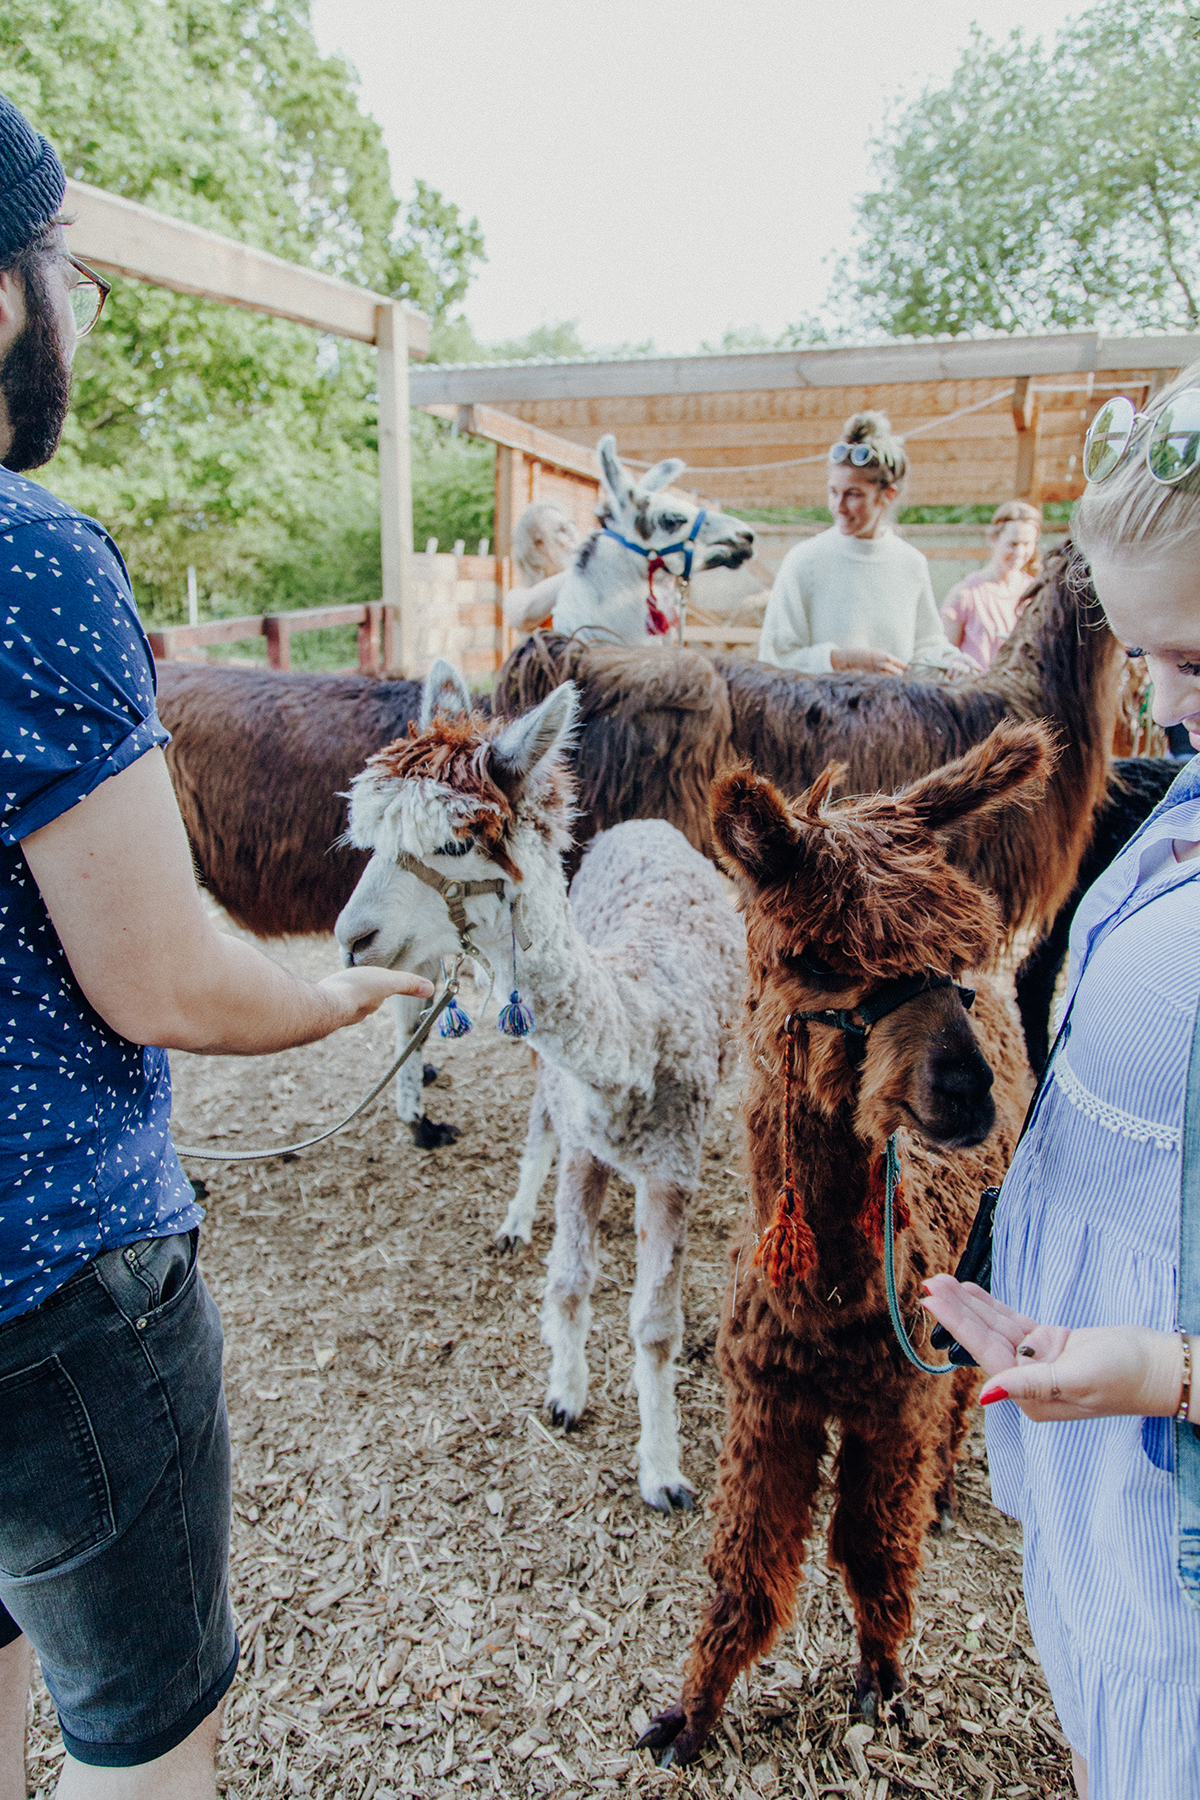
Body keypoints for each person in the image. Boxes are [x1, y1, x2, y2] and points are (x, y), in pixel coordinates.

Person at [0, 94, 433, 1798]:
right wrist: (343, 995)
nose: (74, 326)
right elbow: (162, 975)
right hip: (57, 1286)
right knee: (140, 1741)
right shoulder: (32, 565)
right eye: (72, 282)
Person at [923, 363, 1200, 1800]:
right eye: (1145, 655)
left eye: (1197, 664)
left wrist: (1163, 1368)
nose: (1156, 701)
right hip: (1092, 1423)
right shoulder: (1179, 808)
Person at [757, 410, 970, 676]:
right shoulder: (805, 560)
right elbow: (774, 658)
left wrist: (951, 663)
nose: (839, 507)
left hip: (893, 712)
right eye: (833, 492)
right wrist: (840, 659)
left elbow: (925, 647)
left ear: (888, 494)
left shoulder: (910, 563)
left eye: (853, 495)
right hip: (820, 714)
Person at [940, 498, 1042, 670]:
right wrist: (954, 664)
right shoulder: (965, 594)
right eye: (1013, 543)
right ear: (994, 539)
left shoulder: (1035, 593)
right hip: (974, 692)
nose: (1019, 552)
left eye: (1026, 544)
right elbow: (943, 653)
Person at [501, 500, 580, 631]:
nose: (572, 536)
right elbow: (524, 614)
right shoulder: (517, 598)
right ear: (537, 546)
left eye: (570, 526)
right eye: (562, 529)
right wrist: (584, 568)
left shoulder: (586, 590)